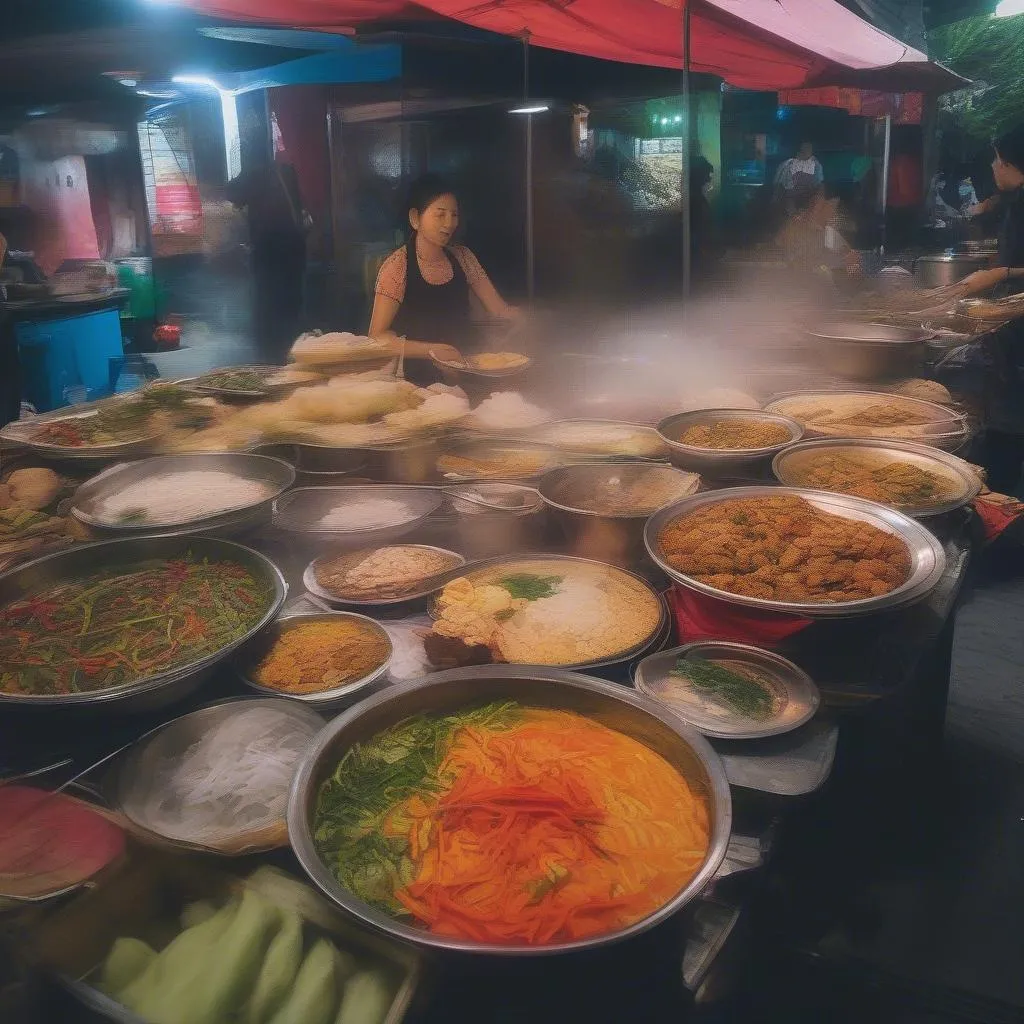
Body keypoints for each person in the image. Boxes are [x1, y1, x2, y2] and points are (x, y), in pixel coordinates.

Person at [368, 174, 518, 366]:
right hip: (417, 380)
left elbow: (499, 310)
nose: (449, 223)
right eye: (440, 215)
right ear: (415, 218)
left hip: (467, 369)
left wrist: (534, 319)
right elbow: (376, 339)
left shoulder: (463, 257)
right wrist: (431, 351)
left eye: (454, 215)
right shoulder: (397, 267)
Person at [956, 127, 1024, 493]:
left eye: (997, 159)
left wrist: (1003, 273)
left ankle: (998, 512)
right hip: (1014, 336)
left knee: (1006, 435)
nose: (994, 167)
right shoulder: (1015, 202)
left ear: (1011, 162)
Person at [227, 152, 308, 363]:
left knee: (269, 311)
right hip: (295, 251)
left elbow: (232, 193)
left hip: (270, 252)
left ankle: (273, 359)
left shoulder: (256, 173)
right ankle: (290, 355)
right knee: (289, 308)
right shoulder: (287, 172)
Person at [775, 185, 860, 279]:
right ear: (814, 204)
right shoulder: (794, 227)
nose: (832, 212)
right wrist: (838, 262)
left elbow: (847, 254)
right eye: (828, 206)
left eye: (833, 207)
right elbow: (797, 263)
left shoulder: (827, 231)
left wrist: (850, 260)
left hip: (820, 284)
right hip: (792, 284)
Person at [774, 142, 824, 212]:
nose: (806, 150)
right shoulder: (787, 164)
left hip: (808, 198)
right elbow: (780, 186)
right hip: (790, 198)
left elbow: (819, 185)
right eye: (804, 148)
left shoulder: (816, 165)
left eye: (809, 148)